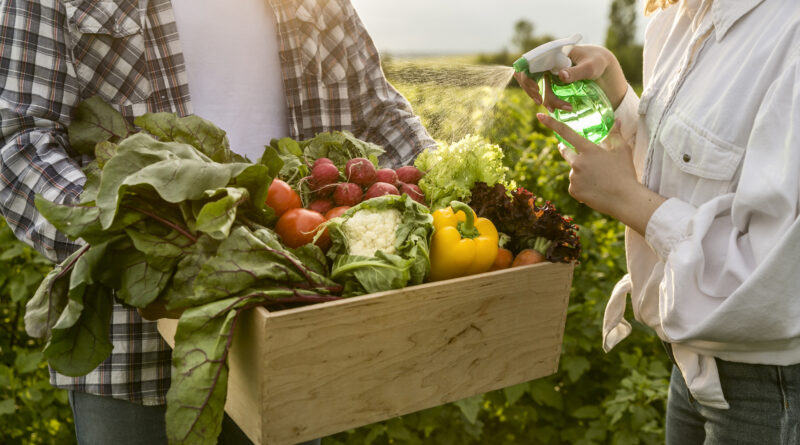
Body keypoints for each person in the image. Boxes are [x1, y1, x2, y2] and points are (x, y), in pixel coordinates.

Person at [0, 0, 434, 444]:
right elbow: (20, 141)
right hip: (137, 350)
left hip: (290, 330)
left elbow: (377, 114)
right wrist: (136, 230)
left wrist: (454, 179)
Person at [515, 0, 800, 443]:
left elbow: (777, 278)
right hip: (690, 366)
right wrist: (616, 95)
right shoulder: (676, 17)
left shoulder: (789, 36)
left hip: (768, 388)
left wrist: (627, 199)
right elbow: (688, 171)